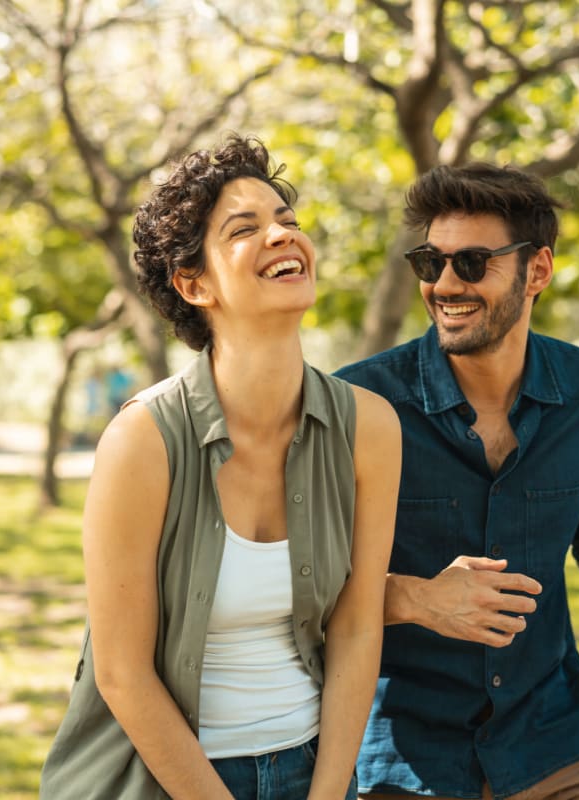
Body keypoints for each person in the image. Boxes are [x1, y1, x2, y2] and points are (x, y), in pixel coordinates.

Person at [40, 134, 401, 800]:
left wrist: (327, 794)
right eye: (246, 229)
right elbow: (121, 673)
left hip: (311, 769)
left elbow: (356, 626)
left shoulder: (370, 428)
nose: (282, 236)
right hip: (161, 779)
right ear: (193, 283)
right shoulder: (142, 441)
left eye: (288, 222)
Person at [335, 162, 579, 799]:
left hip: (555, 747)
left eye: (471, 263)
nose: (443, 284)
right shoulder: (358, 403)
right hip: (407, 764)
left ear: (537, 271)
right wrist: (415, 598)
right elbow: (304, 583)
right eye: (429, 262)